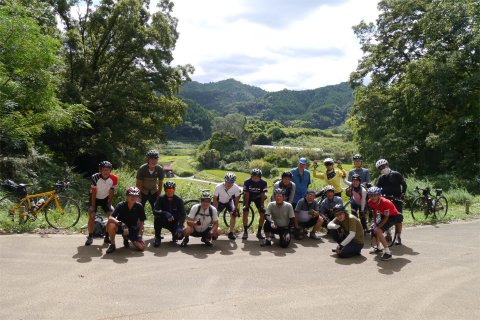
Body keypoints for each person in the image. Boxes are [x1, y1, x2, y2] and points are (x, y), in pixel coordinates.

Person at [85, 161, 118, 246]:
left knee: (111, 216)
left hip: (105, 199)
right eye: (103, 170)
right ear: (100, 170)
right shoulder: (95, 177)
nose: (105, 172)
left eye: (107, 170)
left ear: (110, 171)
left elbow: (111, 192)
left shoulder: (114, 178)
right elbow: (93, 192)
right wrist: (93, 206)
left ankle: (107, 236)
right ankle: (90, 236)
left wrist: (109, 204)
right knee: (92, 215)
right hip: (94, 198)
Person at [105, 187, 146, 254]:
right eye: (131, 195)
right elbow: (110, 217)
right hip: (121, 227)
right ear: (127, 196)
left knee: (141, 248)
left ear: (138, 197)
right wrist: (121, 224)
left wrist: (139, 235)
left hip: (132, 228)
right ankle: (112, 244)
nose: (133, 197)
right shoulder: (121, 205)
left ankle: (127, 238)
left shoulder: (139, 206)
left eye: (135, 196)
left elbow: (142, 221)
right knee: (111, 224)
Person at [367, 186, 404, 260]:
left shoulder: (385, 202)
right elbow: (374, 211)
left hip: (392, 216)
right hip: (382, 214)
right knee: (374, 228)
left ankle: (388, 252)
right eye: (371, 195)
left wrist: (378, 226)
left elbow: (387, 217)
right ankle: (378, 247)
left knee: (377, 230)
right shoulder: (370, 201)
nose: (373, 197)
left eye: (375, 195)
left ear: (379, 195)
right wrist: (374, 222)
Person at [375, 158, 406, 244]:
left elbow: (404, 185)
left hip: (397, 199)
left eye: (383, 166)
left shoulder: (396, 174)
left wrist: (403, 194)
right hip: (386, 201)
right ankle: (388, 233)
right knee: (384, 216)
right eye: (380, 168)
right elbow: (377, 188)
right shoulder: (381, 178)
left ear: (387, 165)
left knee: (398, 218)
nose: (382, 168)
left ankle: (398, 236)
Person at [152, 181, 185, 247]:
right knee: (157, 218)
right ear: (165, 190)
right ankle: (157, 237)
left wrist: (180, 225)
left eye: (171, 190)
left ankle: (174, 235)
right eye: (167, 190)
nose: (169, 192)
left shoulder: (179, 200)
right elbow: (155, 211)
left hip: (174, 222)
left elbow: (183, 214)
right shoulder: (160, 198)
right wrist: (164, 213)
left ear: (174, 190)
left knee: (180, 236)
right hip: (163, 220)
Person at [213, 172, 241, 240]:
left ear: (233, 182)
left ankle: (231, 232)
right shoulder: (218, 186)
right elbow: (215, 198)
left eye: (231, 182)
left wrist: (235, 208)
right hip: (219, 201)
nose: (229, 184)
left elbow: (237, 198)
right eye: (227, 182)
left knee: (233, 215)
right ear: (225, 180)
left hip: (229, 202)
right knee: (215, 216)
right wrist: (215, 209)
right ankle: (214, 232)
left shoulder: (236, 187)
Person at [242, 168, 268, 240]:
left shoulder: (263, 183)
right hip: (248, 196)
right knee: (245, 211)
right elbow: (246, 194)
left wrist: (262, 206)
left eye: (257, 178)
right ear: (251, 176)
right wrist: (246, 205)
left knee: (262, 213)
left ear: (260, 177)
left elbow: (263, 194)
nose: (255, 179)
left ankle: (259, 232)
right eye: (254, 177)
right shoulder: (247, 182)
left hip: (258, 197)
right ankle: (245, 231)